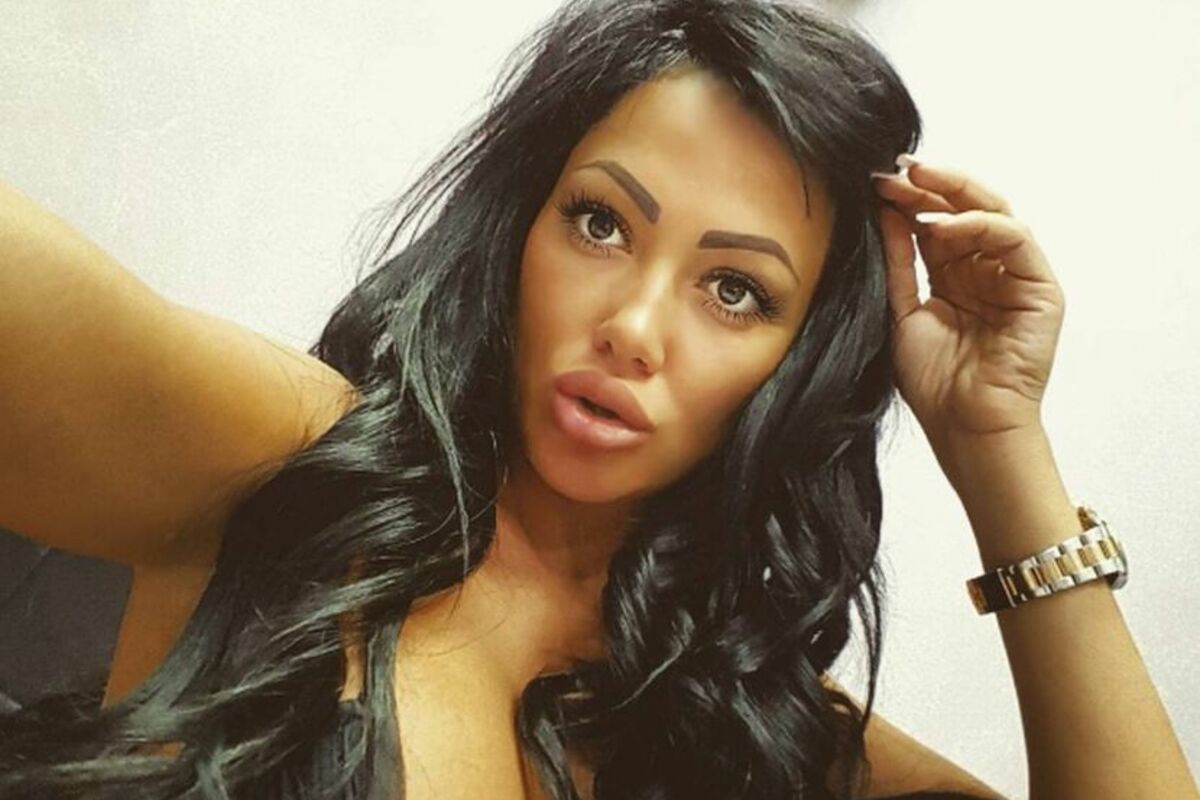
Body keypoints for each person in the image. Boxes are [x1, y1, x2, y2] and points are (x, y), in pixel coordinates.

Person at [0, 0, 1194, 798]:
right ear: (520, 225)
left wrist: (998, 443)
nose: (633, 324)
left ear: (799, 363)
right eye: (601, 223)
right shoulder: (289, 457)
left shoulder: (758, 724)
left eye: (734, 289)